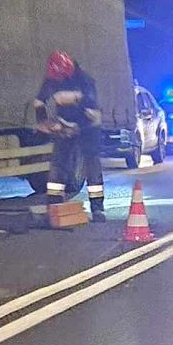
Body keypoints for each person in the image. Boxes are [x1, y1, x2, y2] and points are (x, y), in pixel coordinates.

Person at [32, 51, 106, 222]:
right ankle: (54, 206)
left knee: (92, 165)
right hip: (65, 125)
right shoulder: (52, 79)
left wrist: (73, 98)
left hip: (88, 127)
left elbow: (90, 105)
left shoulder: (84, 80)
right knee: (58, 164)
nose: (56, 81)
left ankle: (97, 208)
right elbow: (39, 102)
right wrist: (45, 122)